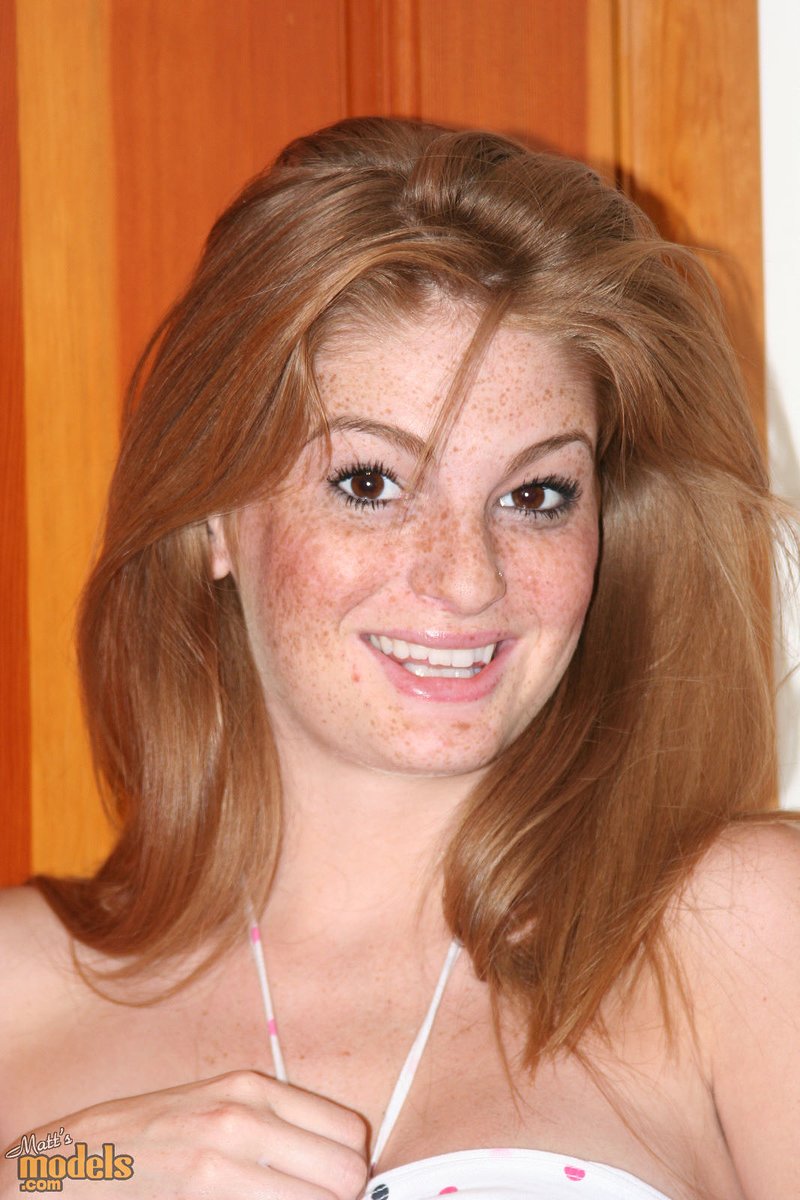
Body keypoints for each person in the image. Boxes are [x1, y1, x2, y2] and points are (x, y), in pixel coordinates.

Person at [1, 116, 798, 1200]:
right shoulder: (18, 993)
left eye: (536, 494)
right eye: (370, 483)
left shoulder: (739, 935)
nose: (466, 578)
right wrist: (44, 1175)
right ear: (212, 518)